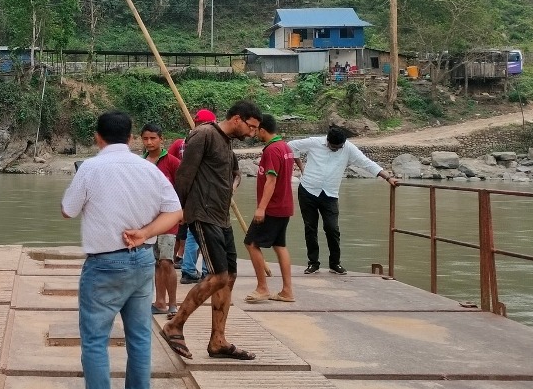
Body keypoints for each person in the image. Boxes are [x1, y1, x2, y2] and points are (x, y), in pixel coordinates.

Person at [62, 111, 182, 389]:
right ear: (131, 138)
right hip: (142, 259)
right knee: (140, 336)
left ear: (97, 137)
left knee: (95, 339)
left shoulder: (90, 168)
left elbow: (67, 210)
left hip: (103, 264)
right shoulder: (149, 169)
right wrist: (144, 233)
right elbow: (175, 212)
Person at [159, 100, 263, 361]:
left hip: (221, 216)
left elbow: (236, 173)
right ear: (237, 119)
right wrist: (179, 212)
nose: (252, 133)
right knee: (217, 276)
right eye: (251, 127)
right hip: (202, 214)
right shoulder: (203, 134)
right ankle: (174, 325)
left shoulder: (227, 143)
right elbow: (184, 175)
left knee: (229, 277)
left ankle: (218, 340)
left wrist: (233, 186)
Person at [290, 125, 397, 275]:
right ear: (327, 141)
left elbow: (366, 162)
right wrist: (301, 166)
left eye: (339, 147)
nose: (336, 150)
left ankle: (335, 263)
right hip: (308, 190)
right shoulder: (314, 142)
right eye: (333, 147)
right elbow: (290, 146)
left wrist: (388, 177)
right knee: (310, 228)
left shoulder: (348, 148)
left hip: (330, 195)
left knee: (332, 229)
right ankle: (313, 263)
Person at [242, 114, 296, 303]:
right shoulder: (285, 147)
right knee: (279, 245)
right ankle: (287, 291)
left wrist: (261, 208)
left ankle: (262, 287)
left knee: (251, 243)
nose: (254, 133)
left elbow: (271, 180)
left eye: (256, 129)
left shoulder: (272, 150)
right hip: (285, 205)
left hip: (272, 207)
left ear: (262, 130)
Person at [139, 123, 181, 316]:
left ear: (161, 139)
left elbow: (183, 187)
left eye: (153, 138)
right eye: (145, 138)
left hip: (169, 218)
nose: (149, 142)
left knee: (166, 262)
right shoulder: (141, 162)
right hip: (149, 220)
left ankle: (173, 303)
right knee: (156, 262)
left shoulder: (172, 162)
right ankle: (160, 301)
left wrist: (183, 212)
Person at [174, 108, 216, 284]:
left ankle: (188, 269)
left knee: (193, 233)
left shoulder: (184, 142)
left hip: (189, 194)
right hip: (206, 194)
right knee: (210, 233)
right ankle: (206, 270)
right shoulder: (208, 141)